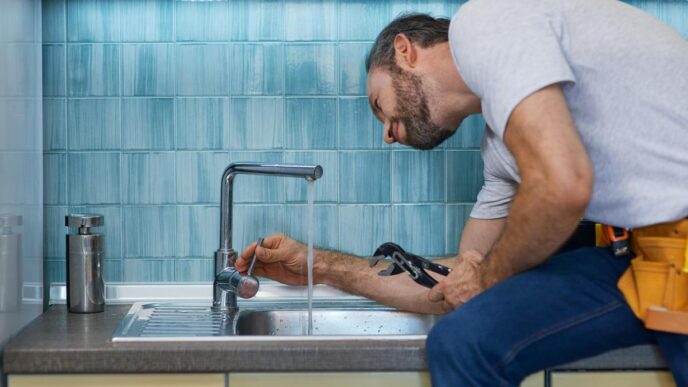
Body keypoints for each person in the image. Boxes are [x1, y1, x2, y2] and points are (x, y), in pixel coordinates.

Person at [236, 0, 688, 385]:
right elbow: (456, 285)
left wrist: (486, 278)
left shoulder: (485, 22)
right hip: (647, 257)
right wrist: (322, 267)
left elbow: (563, 188)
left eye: (379, 105)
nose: (387, 136)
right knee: (463, 340)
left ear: (405, 51)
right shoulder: (503, 151)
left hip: (672, 253)